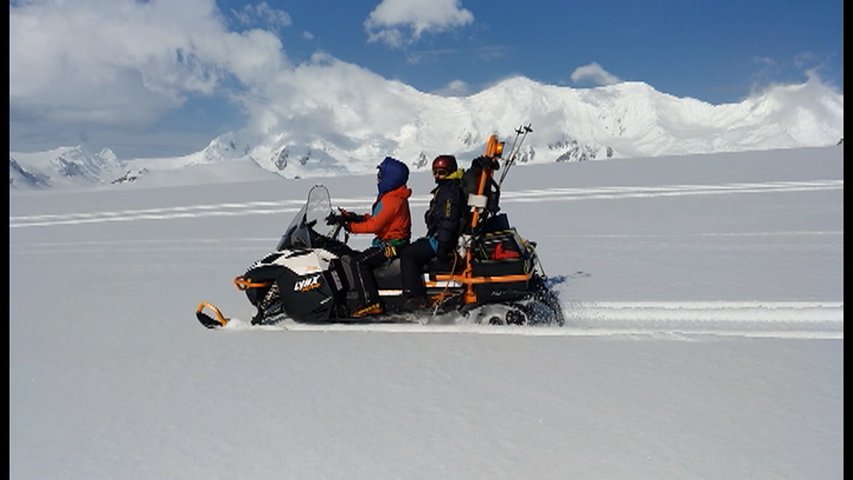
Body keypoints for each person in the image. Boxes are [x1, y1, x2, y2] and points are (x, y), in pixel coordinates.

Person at [337, 156, 412, 318]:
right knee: (357, 257)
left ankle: (370, 303)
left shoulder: (392, 199)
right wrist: (355, 217)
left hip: (392, 244)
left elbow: (375, 226)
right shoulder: (391, 196)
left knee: (358, 263)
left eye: (381, 175)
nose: (378, 179)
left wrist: (350, 227)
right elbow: (377, 219)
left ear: (390, 177)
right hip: (390, 242)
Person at [399, 154, 466, 308]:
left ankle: (415, 297)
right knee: (413, 249)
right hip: (439, 237)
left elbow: (449, 220)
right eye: (434, 172)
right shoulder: (447, 188)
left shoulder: (449, 192)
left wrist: (443, 245)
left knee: (408, 254)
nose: (437, 176)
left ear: (450, 171)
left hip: (442, 241)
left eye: (441, 172)